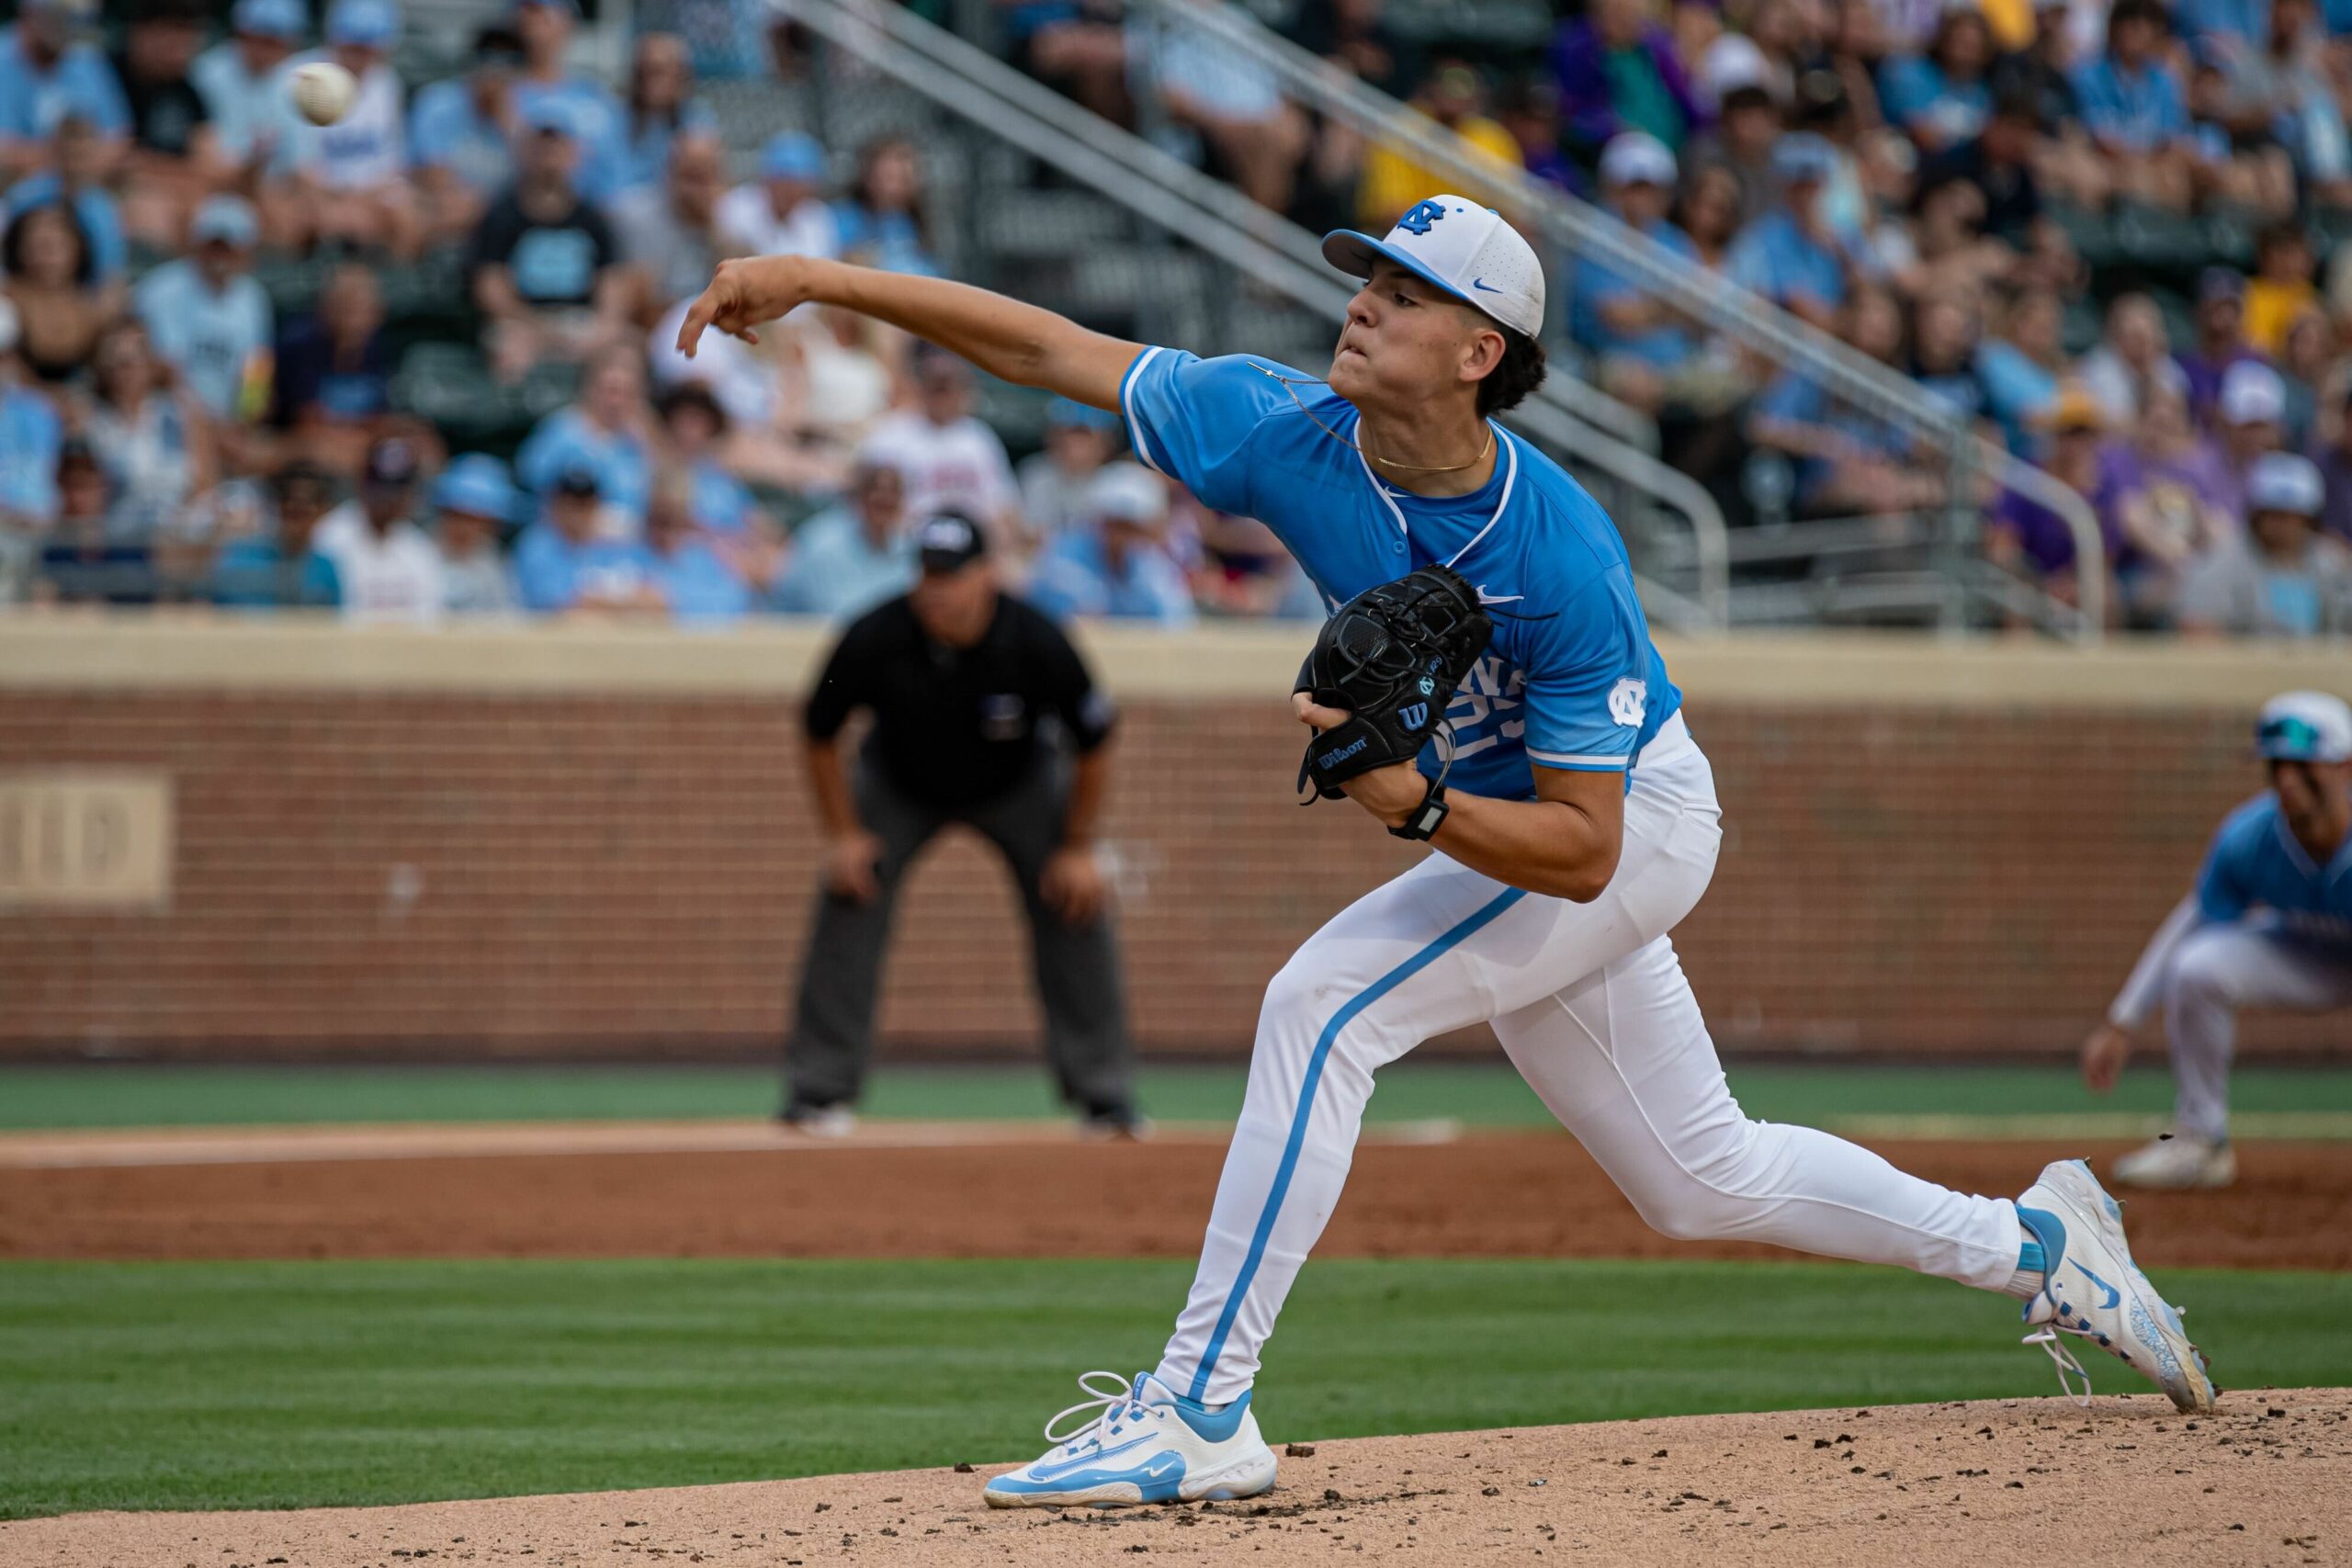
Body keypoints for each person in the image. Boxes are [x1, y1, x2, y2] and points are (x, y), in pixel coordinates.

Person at [677, 193, 2217, 1507]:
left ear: (1481, 352)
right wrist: (826, 284)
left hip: (1627, 825)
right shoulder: (1286, 434)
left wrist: (1408, 803)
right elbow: (1052, 351)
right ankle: (2039, 1241)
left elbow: (1583, 847)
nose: (1365, 304)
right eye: (1370, 277)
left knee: (1322, 1004)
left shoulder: (1558, 557)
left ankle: (1200, 1410)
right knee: (1702, 1179)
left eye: (1409, 294)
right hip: (1522, 827)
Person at [776, 511, 1138, 1136]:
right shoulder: (876, 633)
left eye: (952, 574)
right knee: (849, 890)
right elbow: (817, 730)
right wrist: (842, 835)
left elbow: (1095, 740)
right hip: (899, 783)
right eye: (927, 573)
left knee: (1075, 899)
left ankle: (1102, 1094)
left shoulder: (1034, 637)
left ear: (987, 576)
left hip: (1017, 783)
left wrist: (1078, 846)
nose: (936, 589)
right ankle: (819, 1089)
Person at [2082, 692, 2352, 1189]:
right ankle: (2202, 1140)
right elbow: (2194, 920)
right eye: (2276, 765)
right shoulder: (2251, 836)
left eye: (2303, 764)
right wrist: (2122, 1021)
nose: (2287, 779)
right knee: (2199, 966)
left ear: (2345, 767)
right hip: (2312, 956)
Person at [467, 97, 631, 383]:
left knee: (624, 353)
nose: (549, 156)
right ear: (524, 152)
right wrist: (539, 328)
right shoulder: (502, 216)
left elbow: (612, 284)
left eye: (557, 146)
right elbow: (490, 288)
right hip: (522, 322)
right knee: (509, 351)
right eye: (540, 147)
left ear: (574, 153)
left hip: (579, 319)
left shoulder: (592, 219)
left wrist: (605, 327)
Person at [265, 0, 420, 259]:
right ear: (335, 41)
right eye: (352, 47)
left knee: (409, 219)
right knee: (315, 218)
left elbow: (391, 167)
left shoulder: (387, 82)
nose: (358, 56)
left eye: (367, 49)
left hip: (367, 197)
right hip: (308, 197)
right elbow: (297, 171)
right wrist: (344, 204)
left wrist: (361, 202)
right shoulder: (298, 78)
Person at [855, 345, 1022, 539]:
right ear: (920, 385)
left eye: (948, 386)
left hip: (972, 549)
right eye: (936, 386)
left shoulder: (979, 438)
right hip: (912, 546)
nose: (942, 395)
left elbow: (1004, 508)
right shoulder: (889, 436)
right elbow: (867, 504)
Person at [131, 195, 270, 426]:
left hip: (227, 426)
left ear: (246, 253)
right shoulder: (162, 290)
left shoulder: (254, 298)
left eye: (229, 249)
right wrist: (207, 431)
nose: (220, 257)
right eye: (213, 247)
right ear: (196, 245)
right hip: (165, 419)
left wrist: (244, 426)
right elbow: (165, 373)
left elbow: (256, 376)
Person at [2178, 451, 2352, 636]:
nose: (2282, 525)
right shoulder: (2221, 563)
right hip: (2245, 663)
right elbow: (2198, 629)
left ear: (2309, 519)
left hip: (2320, 663)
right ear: (2256, 515)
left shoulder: (2332, 561)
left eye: (2293, 516)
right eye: (2274, 514)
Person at [1025, 461, 1197, 626]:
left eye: (1131, 526)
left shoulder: (1146, 560)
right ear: (1099, 520)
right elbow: (1084, 615)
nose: (1122, 535)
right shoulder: (1063, 558)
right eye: (1116, 524)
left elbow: (1176, 615)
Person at [407, 23, 526, 244]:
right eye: (488, 58)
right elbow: (432, 178)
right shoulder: (436, 103)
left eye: (508, 62)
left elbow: (534, 183)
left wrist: (506, 124)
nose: (495, 72)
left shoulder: (527, 112)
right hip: (441, 206)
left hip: (503, 216)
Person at [514, 347, 656, 532]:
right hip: (565, 540)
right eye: (611, 391)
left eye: (627, 394)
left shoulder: (636, 442)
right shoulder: (563, 429)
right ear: (590, 389)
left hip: (625, 547)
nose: (617, 401)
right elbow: (532, 479)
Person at [313, 435, 445, 621]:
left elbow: (429, 618)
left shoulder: (418, 547)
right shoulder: (329, 535)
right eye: (380, 485)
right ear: (362, 483)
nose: (388, 498)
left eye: (397, 488)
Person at [770, 451, 915, 617]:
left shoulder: (907, 547)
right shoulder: (822, 542)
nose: (885, 498)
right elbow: (833, 612)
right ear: (856, 496)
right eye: (875, 490)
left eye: (894, 492)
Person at [0, 0, 130, 185]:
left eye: (77, 17)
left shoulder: (87, 57)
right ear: (29, 13)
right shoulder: (4, 58)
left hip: (84, 190)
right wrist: (76, 157)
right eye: (60, 16)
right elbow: (5, 157)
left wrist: (51, 158)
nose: (69, 24)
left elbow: (120, 146)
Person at [615, 130, 727, 321]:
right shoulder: (634, 216)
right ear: (669, 173)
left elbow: (736, 300)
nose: (696, 190)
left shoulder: (729, 215)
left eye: (706, 178)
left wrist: (712, 227)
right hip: (654, 331)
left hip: (709, 329)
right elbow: (643, 309)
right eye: (690, 177)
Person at [211, 458, 343, 608]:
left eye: (305, 511)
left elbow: (333, 622)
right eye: (291, 510)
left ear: (322, 510)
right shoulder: (239, 559)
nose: (297, 522)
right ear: (278, 506)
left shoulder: (325, 569)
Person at [192, 0, 304, 171]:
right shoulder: (204, 75)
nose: (263, 50)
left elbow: (301, 164)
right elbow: (205, 161)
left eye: (274, 42)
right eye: (257, 39)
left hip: (273, 190)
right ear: (240, 35)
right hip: (215, 184)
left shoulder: (293, 81)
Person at [716, 131, 840, 264]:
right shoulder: (736, 206)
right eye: (782, 180)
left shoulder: (819, 217)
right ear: (766, 178)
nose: (789, 190)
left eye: (797, 183)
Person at [1017, 396, 1123, 541]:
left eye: (1081, 433)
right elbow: (1026, 536)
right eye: (1064, 432)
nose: (1070, 442)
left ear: (1106, 441)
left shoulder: (1121, 481)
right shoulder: (1035, 473)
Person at [431, 453, 517, 615]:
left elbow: (508, 619)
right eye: (459, 516)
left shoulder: (492, 561)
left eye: (476, 520)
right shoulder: (418, 554)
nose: (465, 528)